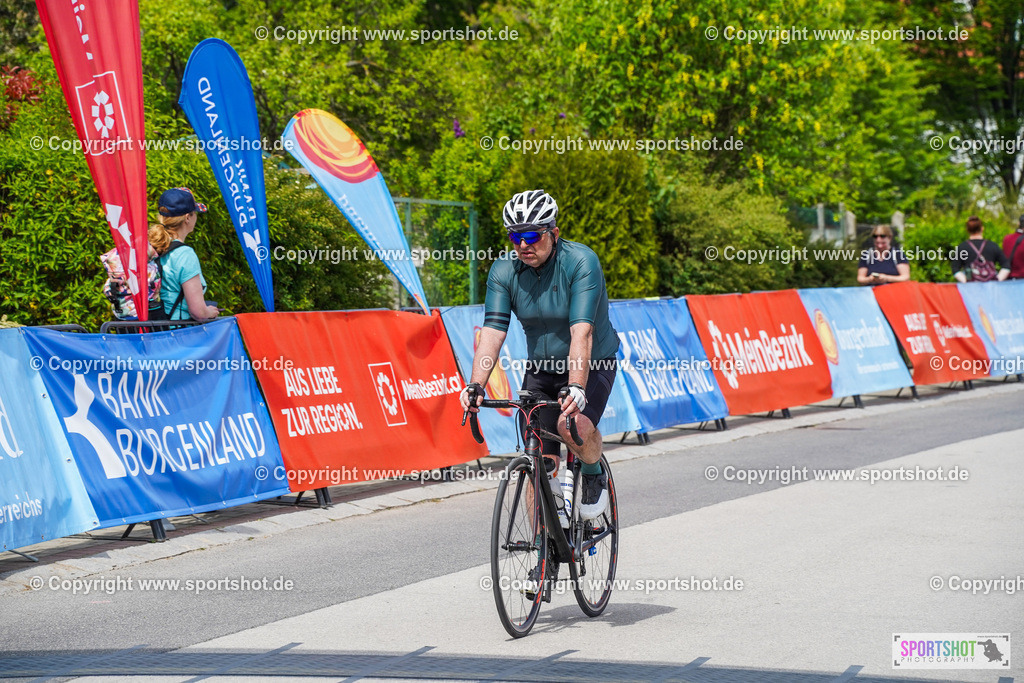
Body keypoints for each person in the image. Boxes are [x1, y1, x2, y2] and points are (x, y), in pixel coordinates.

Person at [459, 189, 619, 522]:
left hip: (591, 363)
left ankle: (592, 472)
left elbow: (582, 332)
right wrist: (475, 385)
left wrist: (576, 386)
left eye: (532, 235)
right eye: (515, 236)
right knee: (538, 458)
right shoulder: (505, 271)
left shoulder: (580, 261)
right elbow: (492, 333)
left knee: (570, 423)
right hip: (542, 369)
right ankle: (544, 552)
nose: (523, 245)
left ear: (554, 233)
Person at [147, 187, 219, 321]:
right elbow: (198, 312)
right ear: (187, 218)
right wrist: (209, 312)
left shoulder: (152, 246)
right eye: (195, 213)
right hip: (178, 333)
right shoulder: (185, 255)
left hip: (152, 329)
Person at [953, 215, 1010, 283]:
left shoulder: (961, 247)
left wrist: (966, 281)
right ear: (982, 228)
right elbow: (1006, 266)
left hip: (971, 288)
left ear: (967, 230)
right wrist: (997, 280)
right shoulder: (993, 245)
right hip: (990, 287)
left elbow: (955, 269)